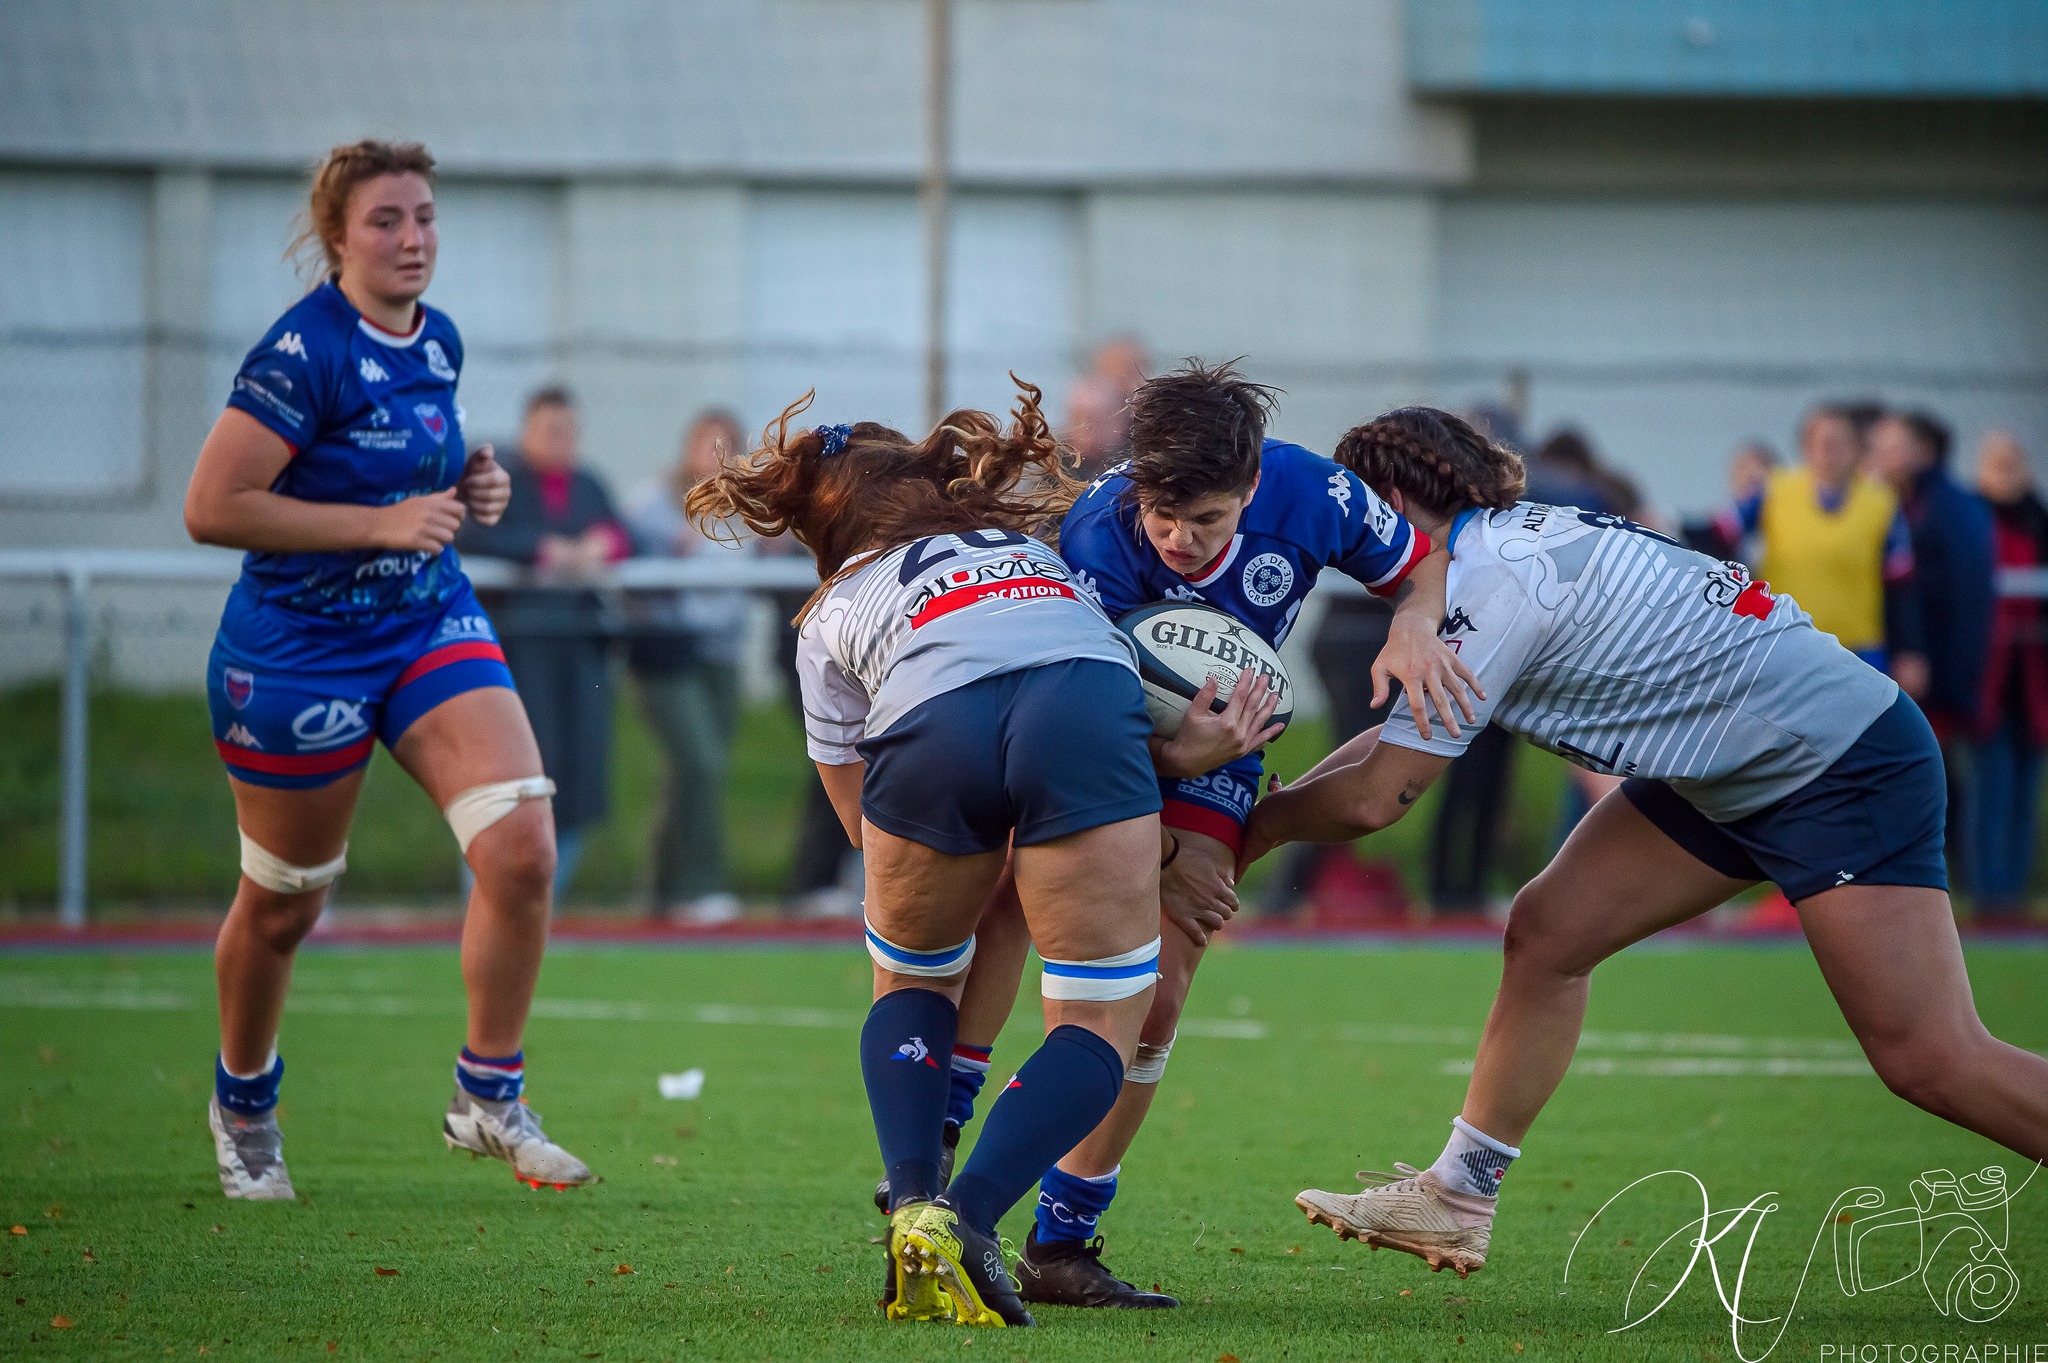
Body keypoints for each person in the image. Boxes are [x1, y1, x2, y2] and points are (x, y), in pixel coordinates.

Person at [1240, 406, 2048, 1276]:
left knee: (1930, 1058)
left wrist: (1251, 829)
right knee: (1549, 932)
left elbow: (1378, 796)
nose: (1349, 544)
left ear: (1394, 503)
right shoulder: (1498, 547)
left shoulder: (1490, 580)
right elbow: (1403, 737)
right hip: (1740, 762)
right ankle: (1459, 1197)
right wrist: (1262, 818)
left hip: (1839, 761)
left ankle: (1459, 1195)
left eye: (1357, 515)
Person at [932, 361, 1478, 1309]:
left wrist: (1416, 624)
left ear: (1253, 484)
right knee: (1013, 893)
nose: (1180, 540)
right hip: (1082, 723)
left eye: (1208, 520)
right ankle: (938, 1135)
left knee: (1161, 990)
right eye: (1164, 516)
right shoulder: (1099, 535)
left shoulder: (1313, 492)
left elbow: (1420, 562)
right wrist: (1169, 836)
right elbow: (1083, 721)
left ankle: (1060, 1240)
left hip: (1224, 743)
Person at [684, 384, 1166, 1330]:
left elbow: (865, 831)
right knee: (1102, 1016)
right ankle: (971, 1214)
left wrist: (971, 846)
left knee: (911, 975)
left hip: (929, 718)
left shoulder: (833, 607)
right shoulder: (1034, 553)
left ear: (825, 526)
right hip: (1080, 695)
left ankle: (913, 1196)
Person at [182, 139, 591, 1200]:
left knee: (522, 847)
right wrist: (381, 521)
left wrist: (474, 482)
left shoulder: (435, 338)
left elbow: (415, 469)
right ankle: (243, 1103)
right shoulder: (299, 354)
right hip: (299, 649)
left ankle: (487, 1096)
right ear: (336, 238)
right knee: (285, 905)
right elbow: (212, 506)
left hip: (423, 618)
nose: (414, 238)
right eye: (386, 221)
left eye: (425, 217)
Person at [456, 387, 631, 896]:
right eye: (551, 430)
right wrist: (542, 550)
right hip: (518, 651)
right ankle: (486, 898)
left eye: (569, 430)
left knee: (575, 782)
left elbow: (625, 535)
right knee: (514, 780)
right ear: (527, 431)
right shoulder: (500, 479)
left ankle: (541, 901)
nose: (562, 440)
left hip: (578, 651)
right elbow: (471, 533)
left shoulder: (589, 484)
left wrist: (603, 545)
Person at [623, 410, 753, 925]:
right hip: (668, 652)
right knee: (699, 761)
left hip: (723, 654)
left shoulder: (748, 505)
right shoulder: (655, 501)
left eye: (728, 446)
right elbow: (629, 556)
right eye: (708, 444)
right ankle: (701, 885)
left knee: (696, 773)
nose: (717, 457)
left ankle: (660, 892)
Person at [1867, 409, 1996, 883]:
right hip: (1917, 669)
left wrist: (1943, 674)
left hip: (1936, 675)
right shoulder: (1906, 504)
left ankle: (1960, 880)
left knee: (1936, 776)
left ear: (1922, 451)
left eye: (1888, 448)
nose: (1876, 458)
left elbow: (1963, 602)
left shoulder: (1948, 510)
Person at [1731, 405, 1925, 686]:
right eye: (1821, 443)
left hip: (1859, 649)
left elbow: (1902, 586)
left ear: (1855, 449)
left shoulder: (1881, 502)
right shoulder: (1773, 490)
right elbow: (1721, 533)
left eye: (1839, 443)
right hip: (1787, 645)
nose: (1829, 451)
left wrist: (1910, 650)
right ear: (1806, 447)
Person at [1972, 431, 2048, 918]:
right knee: (1990, 791)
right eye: (1996, 461)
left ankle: (2014, 897)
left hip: (2033, 682)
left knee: (2025, 796)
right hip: (1989, 681)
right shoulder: (1974, 521)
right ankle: (1989, 895)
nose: (2006, 470)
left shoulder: (2038, 521)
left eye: (2012, 460)